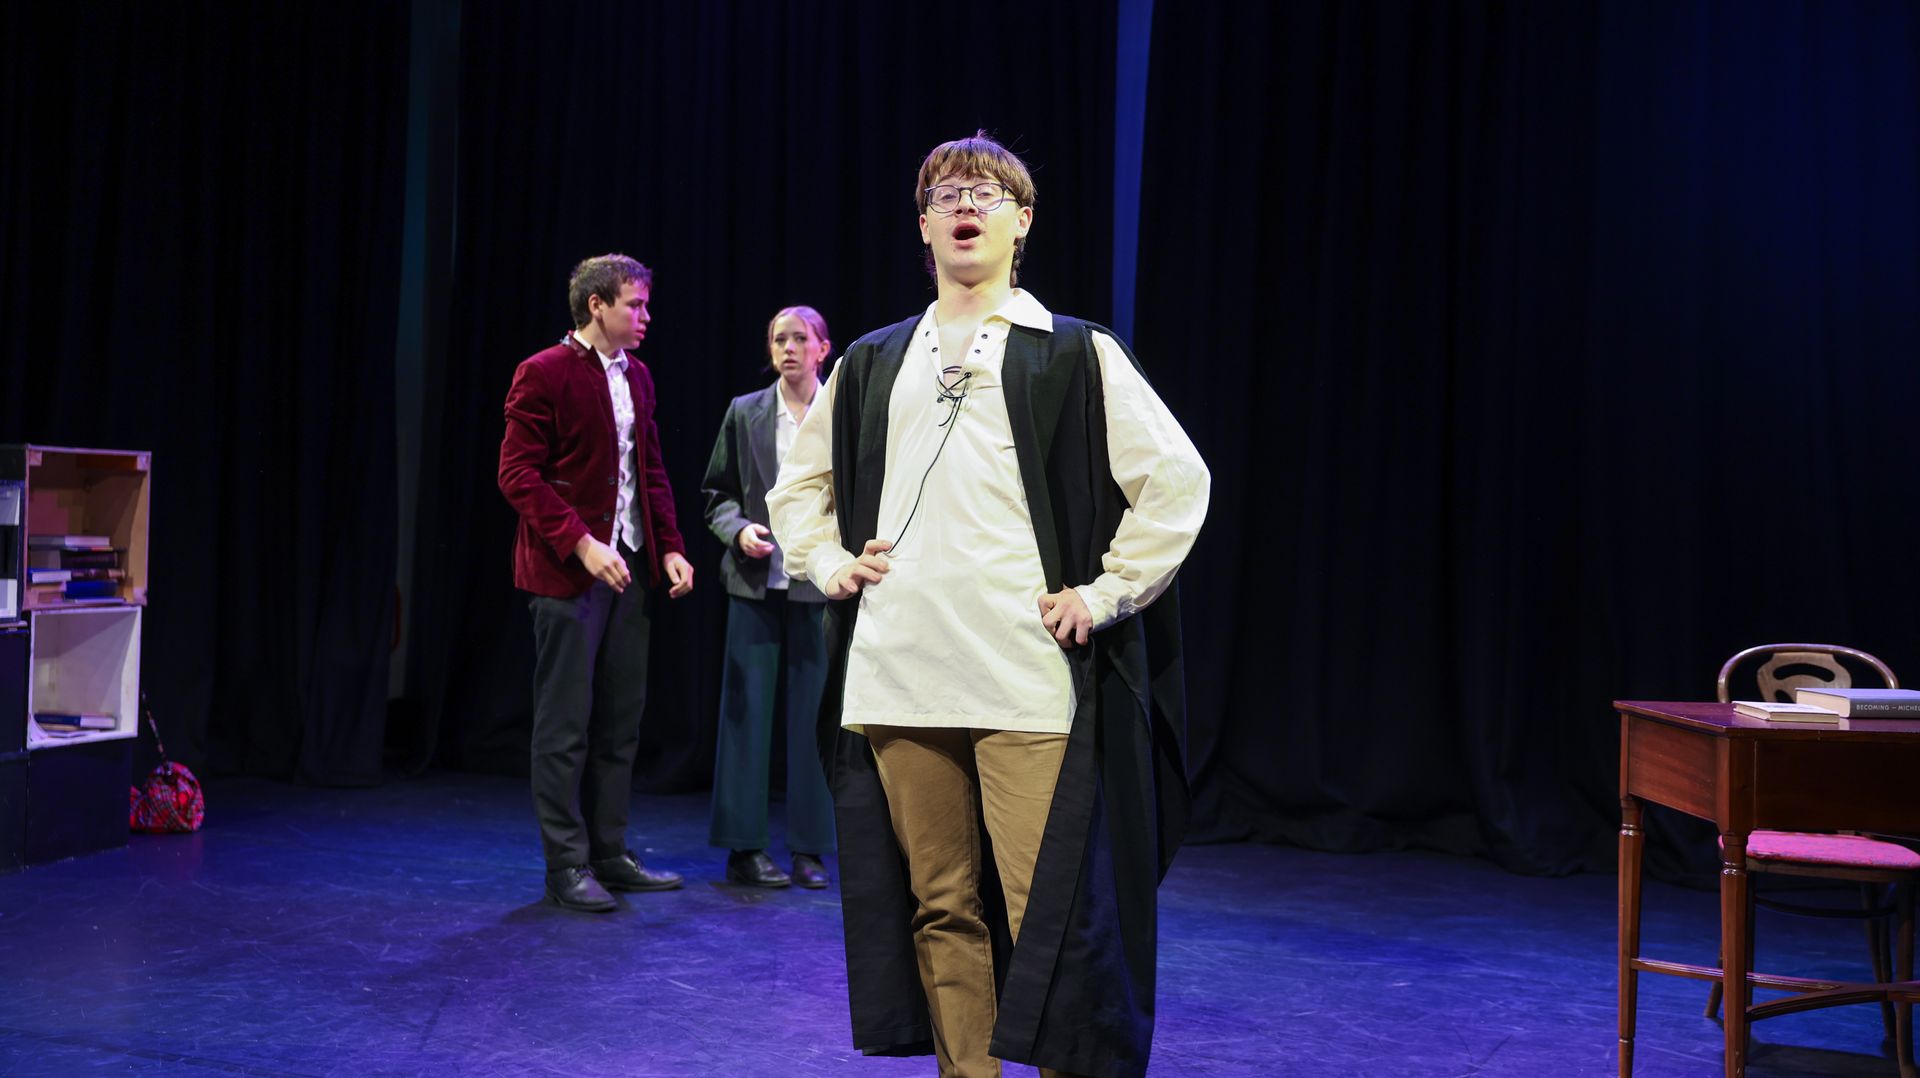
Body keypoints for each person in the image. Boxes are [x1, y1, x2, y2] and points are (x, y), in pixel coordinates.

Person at [768, 133, 1209, 1077]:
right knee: (940, 905)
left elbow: (1176, 483)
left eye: (988, 192)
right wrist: (829, 562)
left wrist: (1106, 591)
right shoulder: (874, 360)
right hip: (900, 674)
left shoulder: (1074, 352)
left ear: (1023, 222)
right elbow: (797, 488)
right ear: (924, 227)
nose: (966, 204)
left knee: (1045, 909)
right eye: (947, 194)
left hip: (1024, 674)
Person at [497, 253, 695, 913]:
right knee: (564, 726)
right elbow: (517, 474)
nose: (645, 316)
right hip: (567, 574)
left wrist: (670, 546)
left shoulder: (637, 375)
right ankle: (566, 864)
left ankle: (609, 851)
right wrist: (581, 543)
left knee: (620, 722)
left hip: (628, 570)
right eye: (634, 305)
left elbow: (650, 470)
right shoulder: (544, 372)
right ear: (597, 306)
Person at [699, 305, 838, 889]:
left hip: (817, 584)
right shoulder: (746, 412)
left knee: (814, 719)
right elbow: (717, 494)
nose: (788, 348)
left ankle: (810, 847)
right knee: (746, 714)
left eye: (799, 338)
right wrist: (738, 531)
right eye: (779, 339)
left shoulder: (841, 410)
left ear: (822, 348)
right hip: (754, 584)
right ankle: (744, 848)